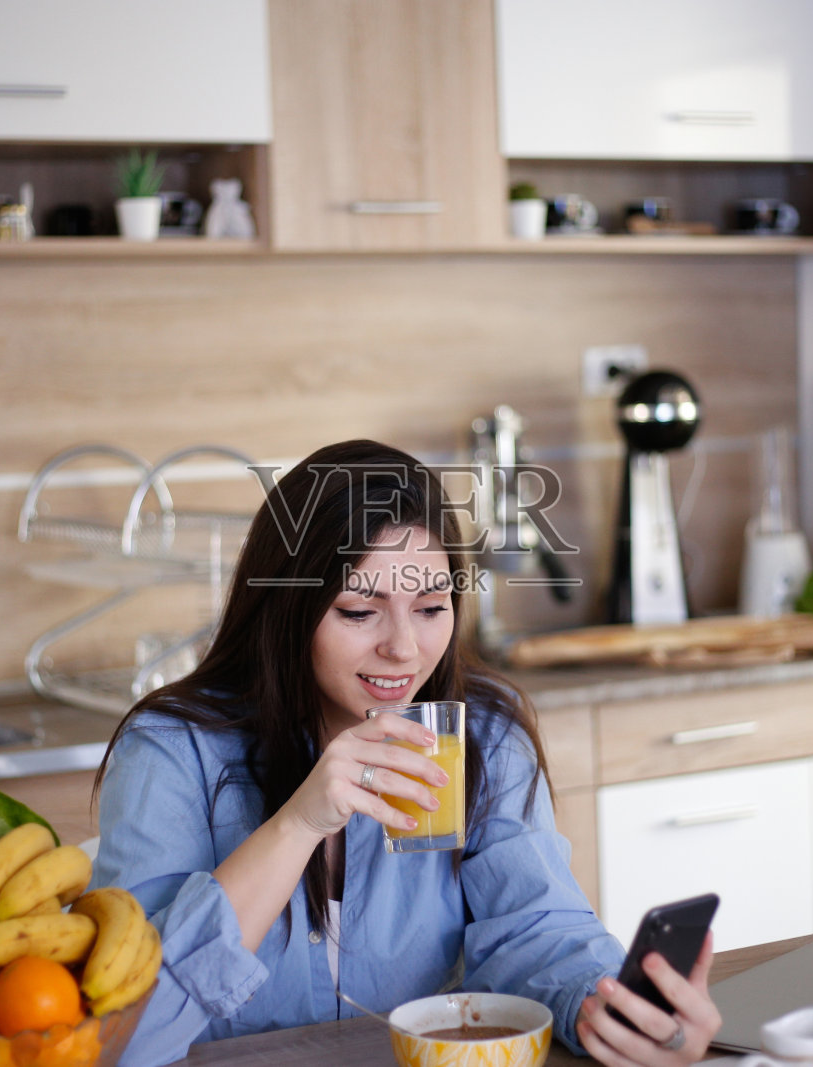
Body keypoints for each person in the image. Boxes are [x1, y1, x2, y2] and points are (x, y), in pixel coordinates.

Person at [93, 439, 721, 1065]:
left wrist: (608, 1008)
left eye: (429, 607)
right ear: (286, 610)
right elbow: (121, 1037)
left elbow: (537, 930)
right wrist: (299, 824)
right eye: (359, 611)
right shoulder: (172, 751)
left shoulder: (484, 736)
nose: (405, 649)